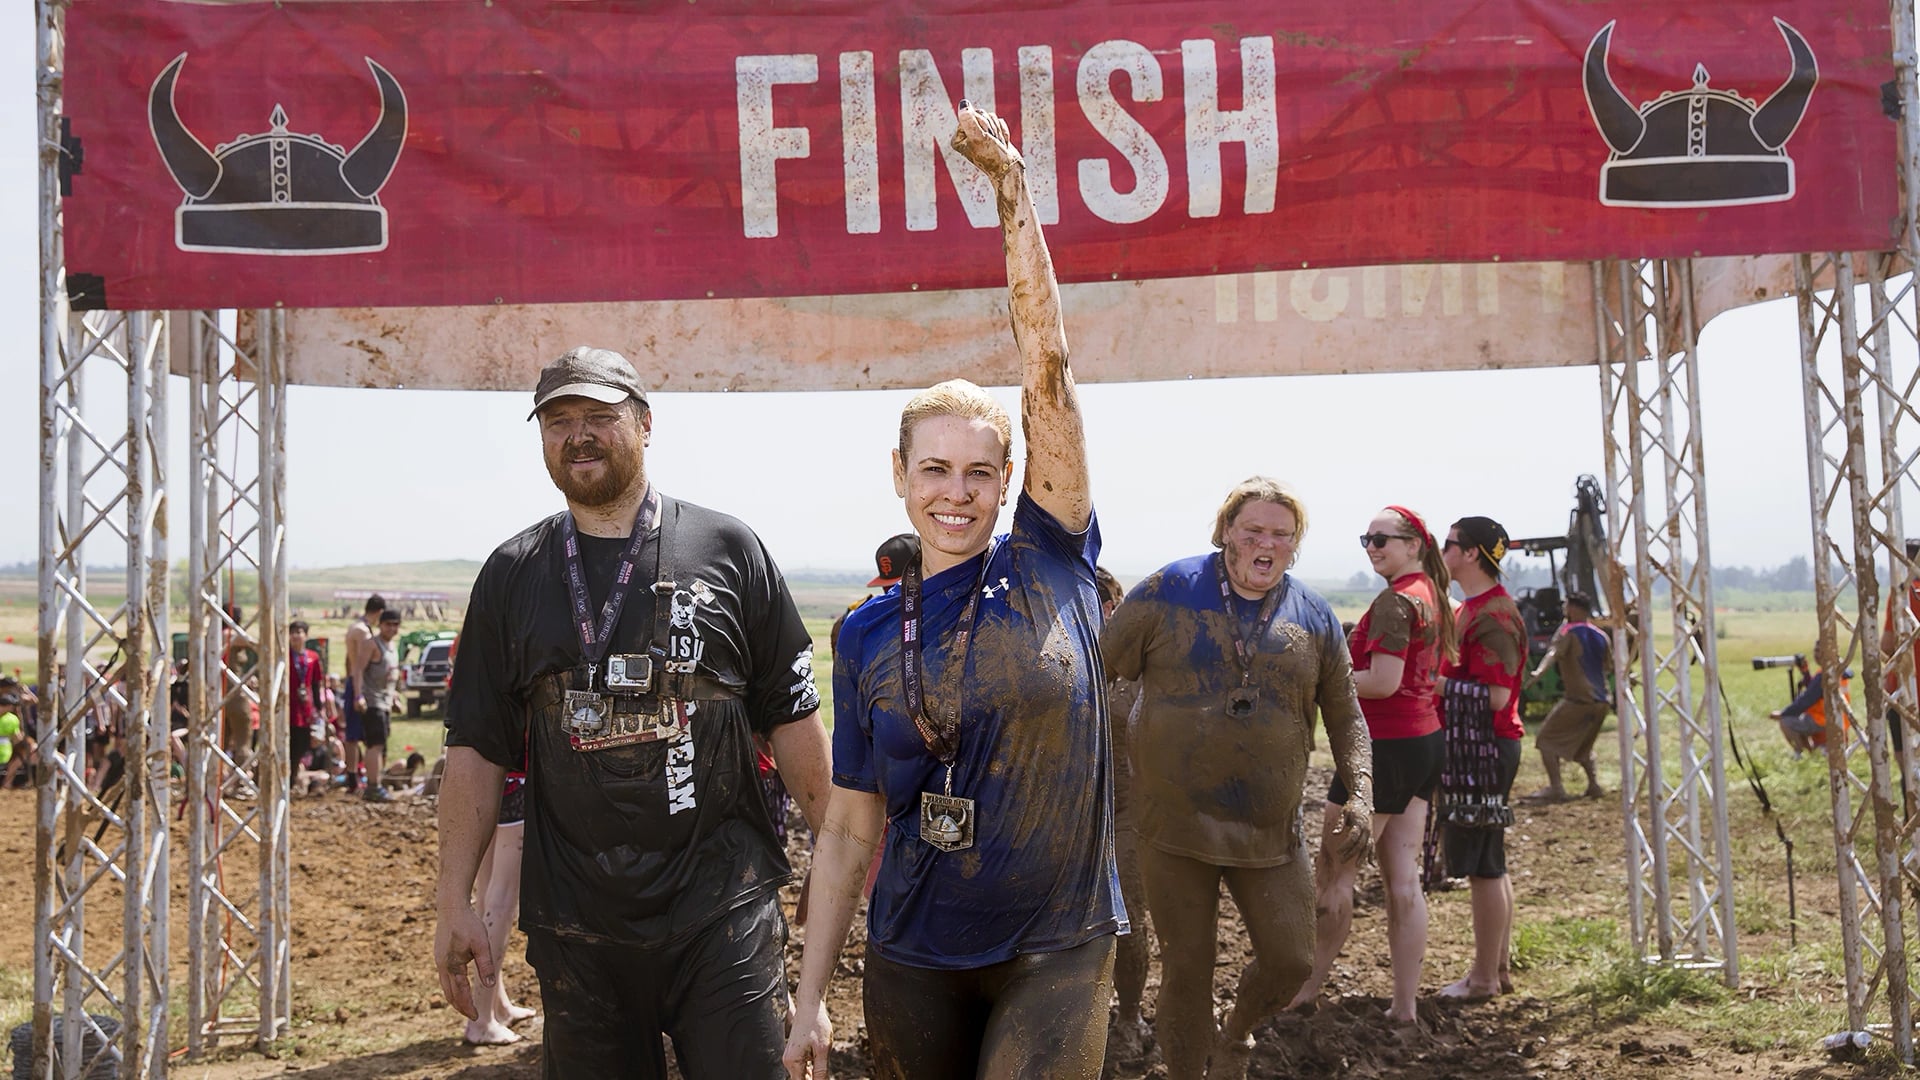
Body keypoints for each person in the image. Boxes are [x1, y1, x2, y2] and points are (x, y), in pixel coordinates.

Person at [784, 104, 1123, 1080]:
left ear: (1010, 477)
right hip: (912, 950)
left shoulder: (1051, 559)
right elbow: (851, 826)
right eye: (934, 471)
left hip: (1057, 940)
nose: (956, 494)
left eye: (980, 472)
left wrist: (1015, 197)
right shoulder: (864, 636)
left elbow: (1047, 370)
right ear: (900, 477)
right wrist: (809, 998)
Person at [433, 344, 833, 1080]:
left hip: (723, 907)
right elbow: (477, 749)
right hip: (578, 925)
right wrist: (452, 899)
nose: (578, 435)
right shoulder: (511, 574)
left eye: (598, 416)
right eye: (558, 421)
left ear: (645, 424)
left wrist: (834, 855)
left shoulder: (729, 548)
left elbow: (792, 715)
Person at [1101, 481, 1372, 1078]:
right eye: (1253, 530)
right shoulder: (1168, 591)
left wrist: (1360, 791)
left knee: (1291, 961)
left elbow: (1346, 712)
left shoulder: (1313, 615)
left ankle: (1238, 1032)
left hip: (1271, 834)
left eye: (1281, 534)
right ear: (1226, 531)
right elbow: (1100, 666)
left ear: (1295, 545)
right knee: (1187, 971)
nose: (1266, 544)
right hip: (1173, 831)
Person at [1290, 506, 1455, 1024]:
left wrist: (1314, 677)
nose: (1372, 547)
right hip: (1423, 743)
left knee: (1333, 875)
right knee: (1402, 880)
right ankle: (1403, 1008)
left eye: (1383, 538)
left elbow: (1382, 681)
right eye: (1366, 539)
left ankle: (1302, 993)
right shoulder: (1431, 593)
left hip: (1382, 749)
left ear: (1414, 544)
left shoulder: (1393, 601)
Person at [1433, 516, 1528, 1001]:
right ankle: (1497, 968)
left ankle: (1484, 978)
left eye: (1448, 544)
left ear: (1470, 554)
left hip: (1485, 747)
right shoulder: (1477, 608)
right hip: (1486, 745)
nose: (1442, 551)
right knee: (1491, 860)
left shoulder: (1492, 615)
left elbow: (1495, 696)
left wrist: (1441, 685)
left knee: (1484, 867)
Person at [1094, 565, 1150, 1066]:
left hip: (1129, 815)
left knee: (1128, 920)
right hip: (1068, 817)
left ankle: (1130, 1016)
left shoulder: (1137, 672)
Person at [463, 768, 537, 1045]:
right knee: (502, 901)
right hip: (516, 779)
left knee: (488, 894)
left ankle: (497, 1006)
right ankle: (481, 1020)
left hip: (486, 777)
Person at [1521, 591, 1611, 802]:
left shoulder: (1568, 632)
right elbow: (1608, 667)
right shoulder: (1601, 635)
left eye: (1566, 606)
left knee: (1545, 740)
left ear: (1572, 608)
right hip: (1602, 702)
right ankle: (1594, 785)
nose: (1563, 610)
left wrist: (1537, 673)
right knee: (1584, 747)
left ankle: (1556, 788)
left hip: (1578, 700)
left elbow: (1552, 654)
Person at [354, 609, 402, 802]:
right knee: (375, 744)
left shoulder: (391, 647)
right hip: (372, 701)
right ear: (380, 625)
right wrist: (358, 696)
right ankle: (373, 786)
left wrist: (395, 697)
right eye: (388, 624)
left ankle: (377, 783)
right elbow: (358, 670)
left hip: (385, 703)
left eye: (395, 624)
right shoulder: (372, 644)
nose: (391, 628)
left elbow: (391, 677)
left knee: (381, 745)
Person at [342, 594, 385, 794]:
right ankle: (354, 777)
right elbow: (359, 663)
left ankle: (354, 776)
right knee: (357, 733)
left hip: (353, 681)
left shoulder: (355, 628)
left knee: (356, 732)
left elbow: (349, 661)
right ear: (380, 613)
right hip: (360, 684)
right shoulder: (362, 632)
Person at [1772, 657, 1852, 755]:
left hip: (1823, 720)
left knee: (1786, 721)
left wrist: (1783, 714)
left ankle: (1802, 755)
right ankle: (1815, 752)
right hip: (1840, 721)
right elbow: (1815, 688)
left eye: (1818, 651)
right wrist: (1805, 673)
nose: (1816, 654)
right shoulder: (1837, 670)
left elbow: (1806, 700)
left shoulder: (1823, 675)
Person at [287, 621, 332, 786]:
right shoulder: (285, 656)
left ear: (306, 635)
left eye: (299, 632)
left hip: (304, 707)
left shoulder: (312, 657)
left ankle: (293, 776)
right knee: (288, 741)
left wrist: (319, 707)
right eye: (293, 632)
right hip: (288, 705)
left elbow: (315, 683)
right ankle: (287, 779)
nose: (296, 635)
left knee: (302, 742)